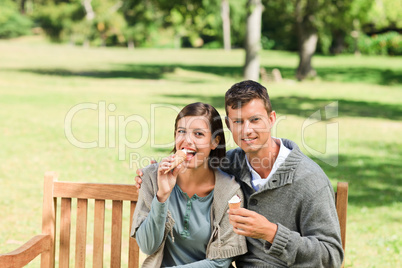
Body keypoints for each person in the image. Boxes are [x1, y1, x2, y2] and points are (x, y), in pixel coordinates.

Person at [135, 81, 344, 267]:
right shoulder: (230, 164)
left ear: (272, 119)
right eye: (237, 122)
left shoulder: (308, 179)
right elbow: (195, 156)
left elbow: (331, 256)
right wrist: (151, 175)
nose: (246, 130)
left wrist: (271, 232)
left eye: (254, 120)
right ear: (227, 126)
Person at [131, 102, 247, 268]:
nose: (187, 141)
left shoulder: (230, 191)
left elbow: (221, 262)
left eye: (198, 134)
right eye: (181, 132)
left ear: (215, 142)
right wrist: (162, 196)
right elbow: (147, 246)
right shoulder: (152, 177)